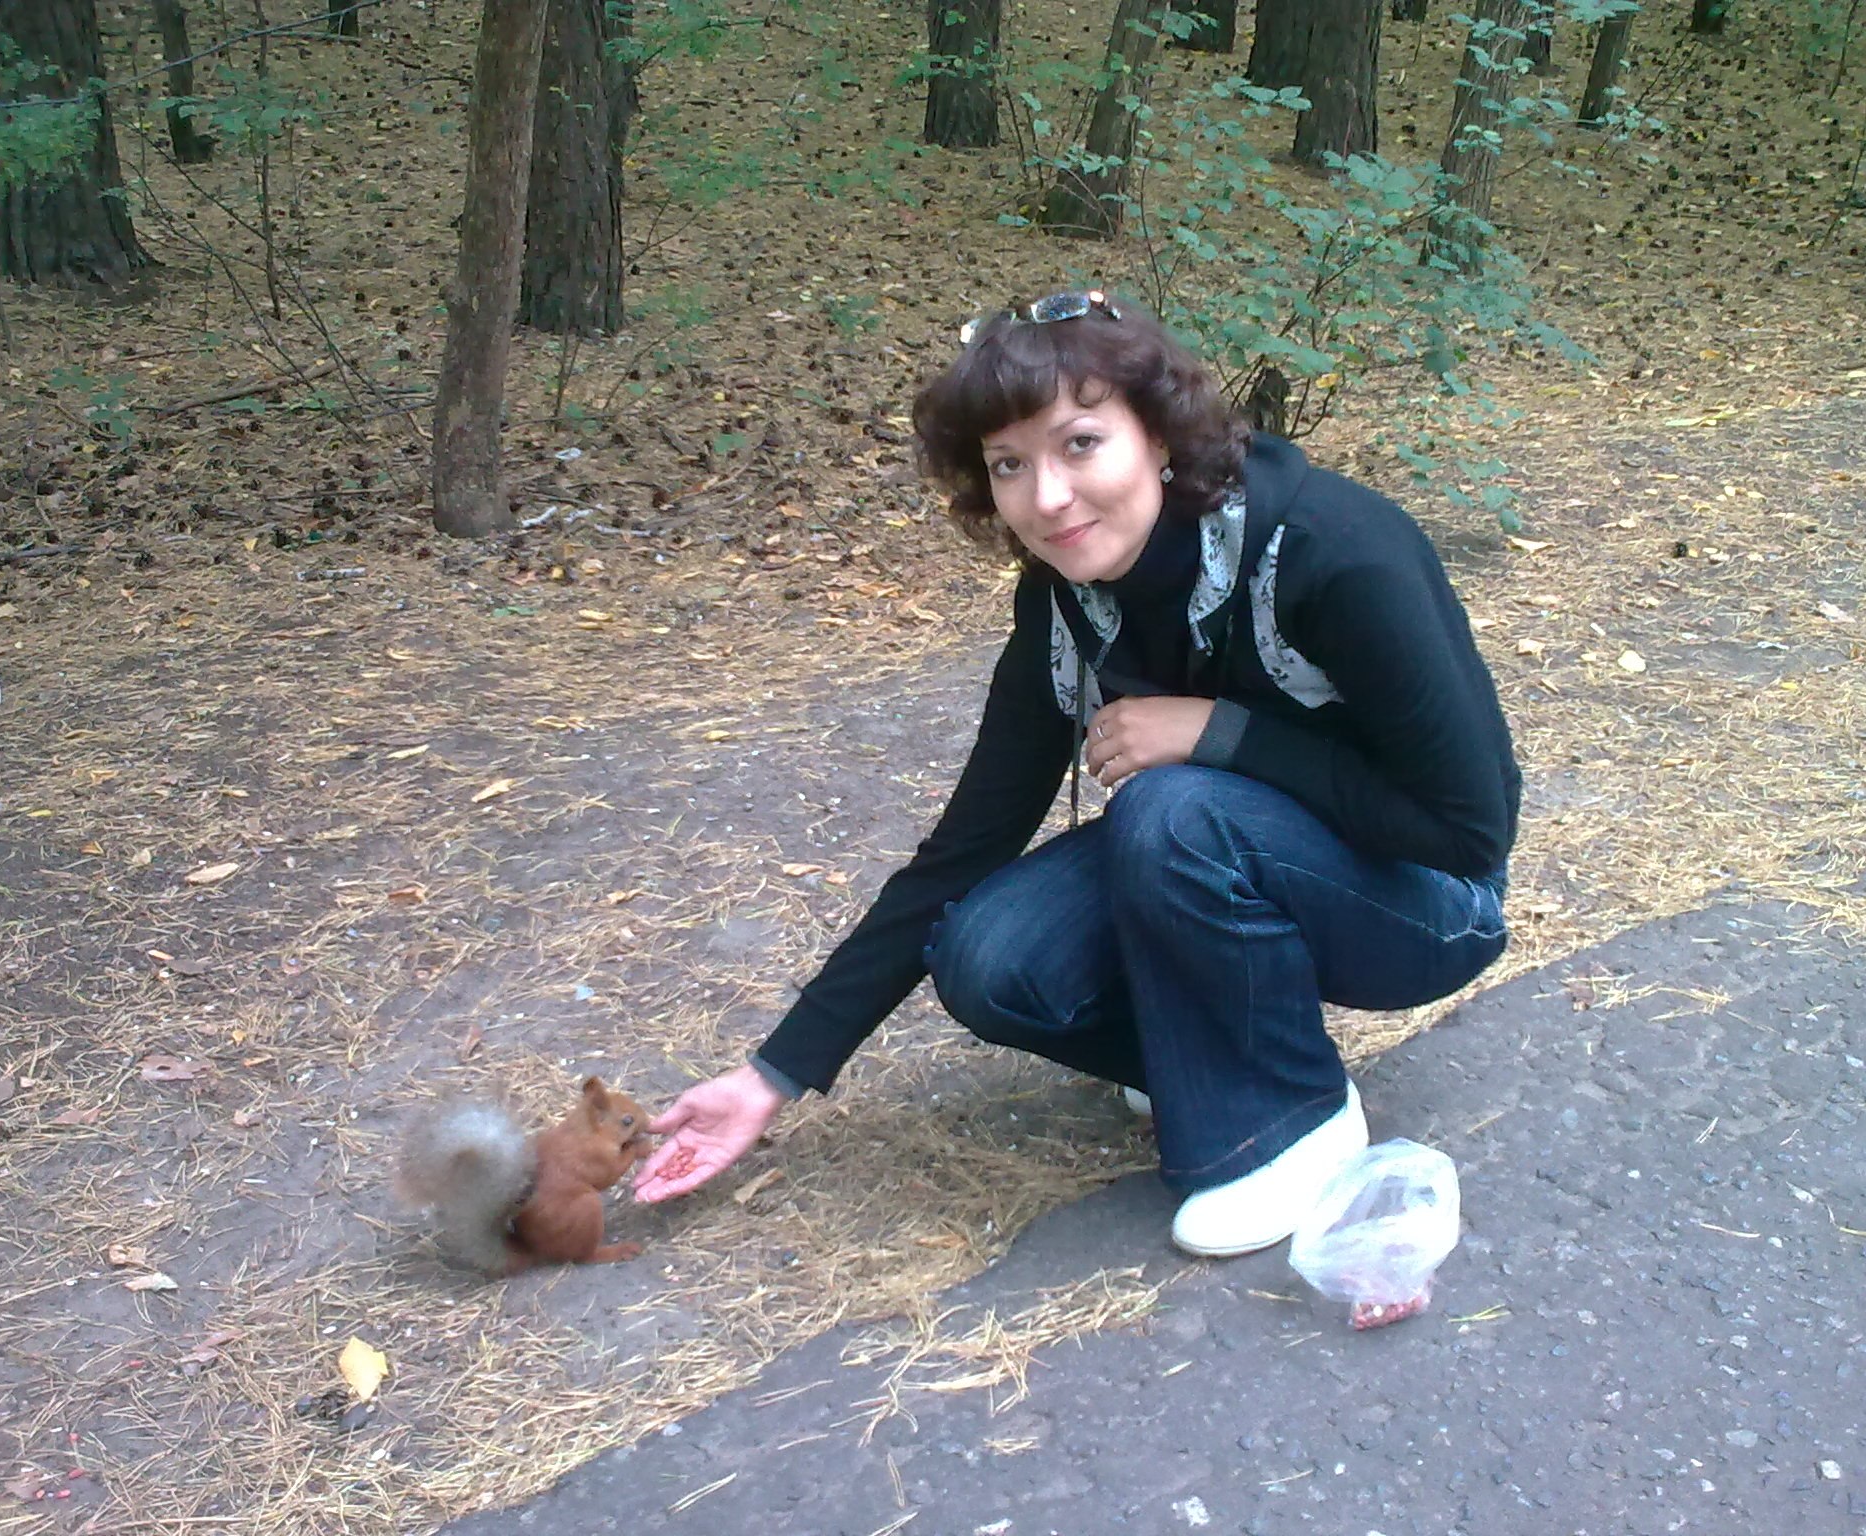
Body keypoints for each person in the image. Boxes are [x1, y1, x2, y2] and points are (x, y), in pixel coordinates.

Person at [632, 289, 1519, 1257]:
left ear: (1159, 436)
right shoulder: (1066, 598)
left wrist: (1220, 733)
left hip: (1424, 902)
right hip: (1232, 855)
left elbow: (1468, 831)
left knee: (1172, 810)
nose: (1045, 497)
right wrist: (771, 1076)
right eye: (1008, 464)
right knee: (986, 957)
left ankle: (1290, 1122)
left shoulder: (1332, 554)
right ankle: (1226, 1058)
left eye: (1080, 444)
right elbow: (965, 847)